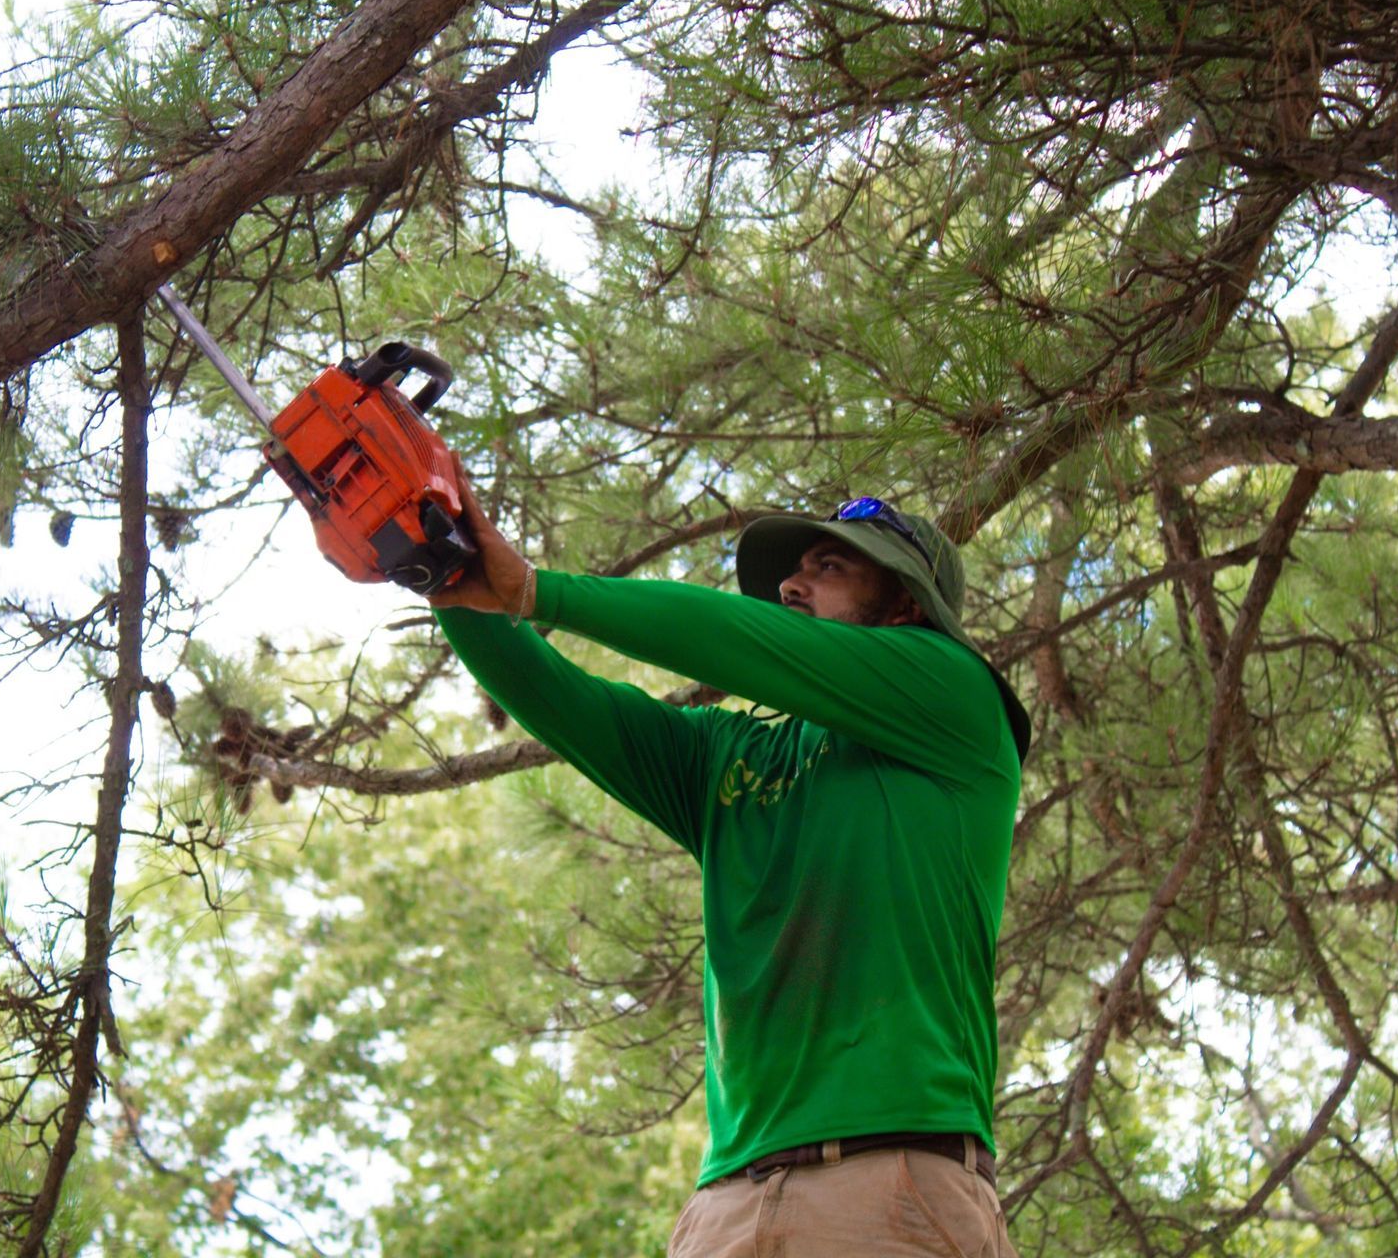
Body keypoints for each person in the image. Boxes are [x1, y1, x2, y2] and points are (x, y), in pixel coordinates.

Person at [428, 471, 1031, 1258]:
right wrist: (437, 570)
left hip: (893, 1187)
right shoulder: (733, 754)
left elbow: (737, 639)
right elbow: (556, 694)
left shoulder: (955, 698)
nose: (791, 583)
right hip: (726, 1207)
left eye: (830, 567)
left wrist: (536, 590)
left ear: (908, 604)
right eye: (796, 570)